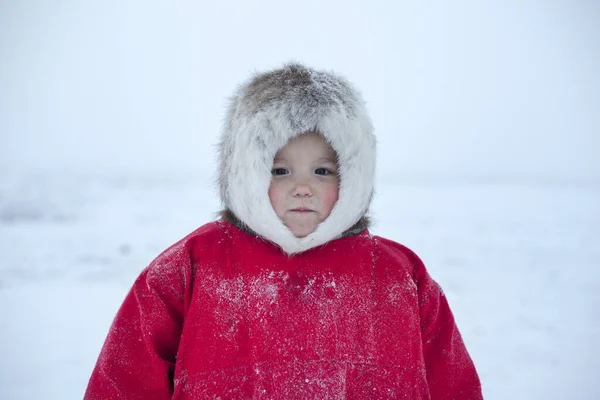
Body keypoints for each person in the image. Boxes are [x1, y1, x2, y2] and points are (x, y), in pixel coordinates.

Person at [84, 63, 483, 399]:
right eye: (280, 170)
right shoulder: (189, 267)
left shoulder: (401, 274)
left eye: (322, 171)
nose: (302, 186)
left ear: (353, 175)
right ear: (247, 172)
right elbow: (126, 379)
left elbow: (452, 382)